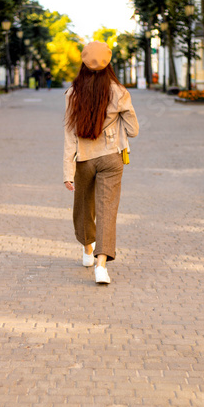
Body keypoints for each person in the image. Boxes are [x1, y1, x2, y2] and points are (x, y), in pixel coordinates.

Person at [63, 41, 139, 284]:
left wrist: (67, 170)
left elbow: (69, 135)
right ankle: (101, 266)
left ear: (83, 63)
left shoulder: (73, 93)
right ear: (109, 63)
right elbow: (134, 129)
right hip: (111, 157)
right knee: (108, 210)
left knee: (84, 206)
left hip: (84, 159)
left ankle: (88, 250)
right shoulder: (119, 92)